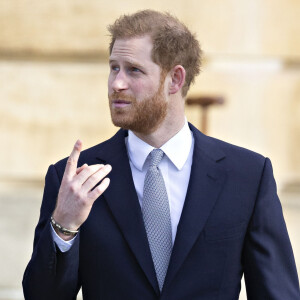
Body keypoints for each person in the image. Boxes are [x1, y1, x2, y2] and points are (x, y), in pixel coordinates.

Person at [23, 10, 300, 300]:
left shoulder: (247, 176)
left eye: (134, 70)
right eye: (114, 67)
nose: (116, 83)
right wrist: (64, 226)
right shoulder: (75, 180)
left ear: (175, 79)